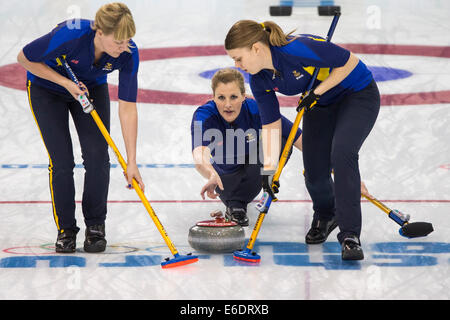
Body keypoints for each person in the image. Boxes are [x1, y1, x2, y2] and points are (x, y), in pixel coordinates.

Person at [225, 20, 380, 260]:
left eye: (238, 58)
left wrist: (316, 92)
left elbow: (350, 63)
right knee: (315, 170)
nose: (237, 65)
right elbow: (271, 125)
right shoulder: (259, 79)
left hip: (356, 95)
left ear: (256, 48)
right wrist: (267, 171)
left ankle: (350, 236)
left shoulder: (295, 49)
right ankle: (327, 214)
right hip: (320, 104)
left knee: (342, 153)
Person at [17, 2, 144, 253]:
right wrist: (65, 83)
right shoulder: (70, 35)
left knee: (98, 157)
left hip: (91, 89)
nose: (124, 46)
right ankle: (66, 229)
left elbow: (128, 106)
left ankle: (96, 226)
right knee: (62, 161)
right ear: (99, 32)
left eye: (127, 40)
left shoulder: (128, 52)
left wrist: (131, 160)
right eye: (118, 41)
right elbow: (24, 58)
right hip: (47, 88)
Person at [191, 68, 372, 229]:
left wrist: (342, 174)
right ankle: (236, 203)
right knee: (236, 189)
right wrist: (211, 174)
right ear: (213, 97)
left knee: (282, 137)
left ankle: (267, 181)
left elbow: (298, 138)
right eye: (221, 97)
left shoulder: (255, 109)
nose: (227, 104)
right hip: (226, 182)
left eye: (233, 97)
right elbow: (200, 154)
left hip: (256, 173)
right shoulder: (204, 115)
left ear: (244, 96)